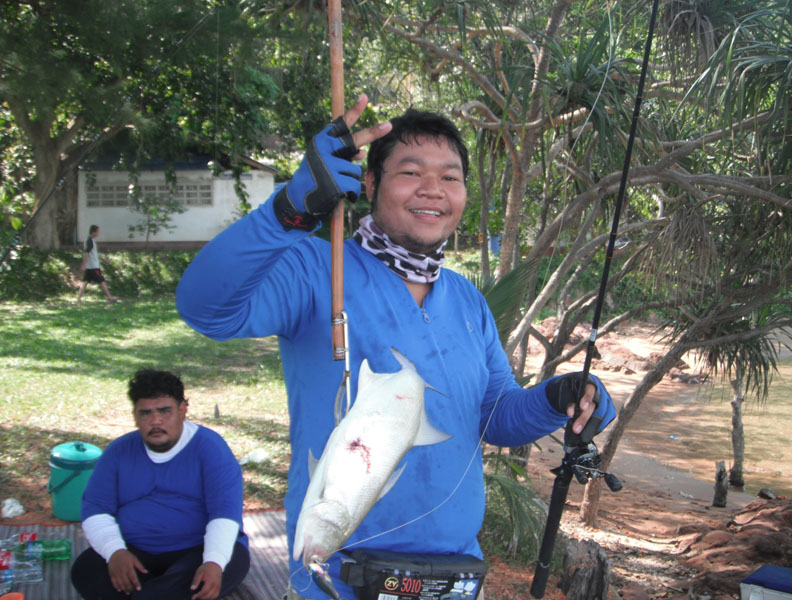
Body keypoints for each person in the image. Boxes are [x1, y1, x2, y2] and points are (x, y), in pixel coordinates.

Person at [176, 95, 616, 600]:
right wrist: (290, 207)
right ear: (370, 183)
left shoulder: (467, 300)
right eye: (411, 172)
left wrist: (557, 398)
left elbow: (494, 418)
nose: (433, 190)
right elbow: (205, 308)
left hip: (453, 579)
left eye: (450, 177)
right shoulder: (320, 269)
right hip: (340, 578)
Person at [71, 369, 250, 600]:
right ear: (135, 416)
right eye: (146, 413)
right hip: (134, 550)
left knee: (225, 564)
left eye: (165, 411)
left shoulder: (211, 448)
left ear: (183, 411)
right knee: (85, 571)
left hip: (198, 550)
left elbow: (225, 514)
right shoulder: (119, 451)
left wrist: (214, 561)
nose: (155, 421)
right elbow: (95, 508)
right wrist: (115, 551)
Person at [77, 224, 119, 304]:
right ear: (93, 232)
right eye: (97, 231)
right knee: (102, 281)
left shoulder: (90, 240)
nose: (98, 233)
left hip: (91, 266)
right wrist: (83, 265)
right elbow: (86, 253)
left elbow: (94, 253)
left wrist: (104, 259)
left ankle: (78, 300)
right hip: (93, 267)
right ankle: (110, 298)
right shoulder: (89, 240)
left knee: (85, 282)